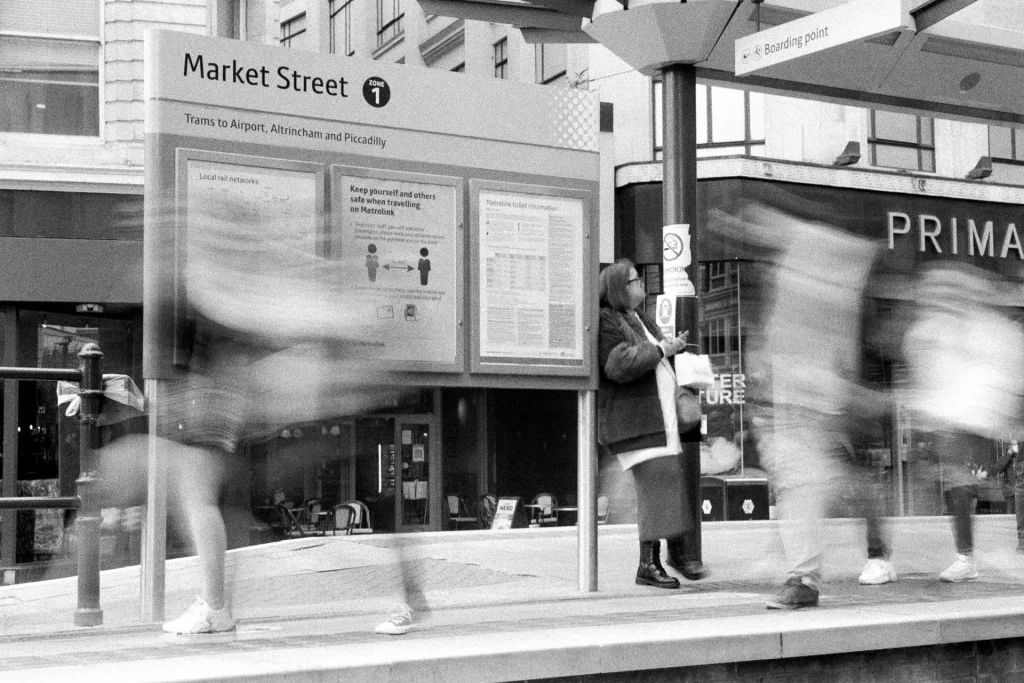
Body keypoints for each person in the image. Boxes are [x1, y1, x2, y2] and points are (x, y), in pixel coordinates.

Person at [903, 262, 1024, 582]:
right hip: (956, 420)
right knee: (958, 482)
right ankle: (966, 551)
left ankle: (966, 551)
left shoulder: (994, 331)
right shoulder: (939, 330)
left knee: (960, 481)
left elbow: (1006, 374)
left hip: (973, 420)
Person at [597, 259, 708, 589]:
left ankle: (664, 557)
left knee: (664, 486)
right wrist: (660, 348)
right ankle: (650, 563)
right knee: (659, 486)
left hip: (656, 421)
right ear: (620, 288)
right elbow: (619, 364)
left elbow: (651, 355)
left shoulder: (636, 318)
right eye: (634, 280)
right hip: (637, 423)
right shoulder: (608, 320)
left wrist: (670, 348)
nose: (640, 284)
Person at [995, 440, 1024, 553]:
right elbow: (998, 468)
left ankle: (1022, 540)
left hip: (1015, 490)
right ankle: (1021, 539)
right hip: (1010, 492)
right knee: (1011, 513)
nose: (1014, 447)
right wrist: (1008, 455)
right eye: (1012, 445)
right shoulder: (1007, 458)